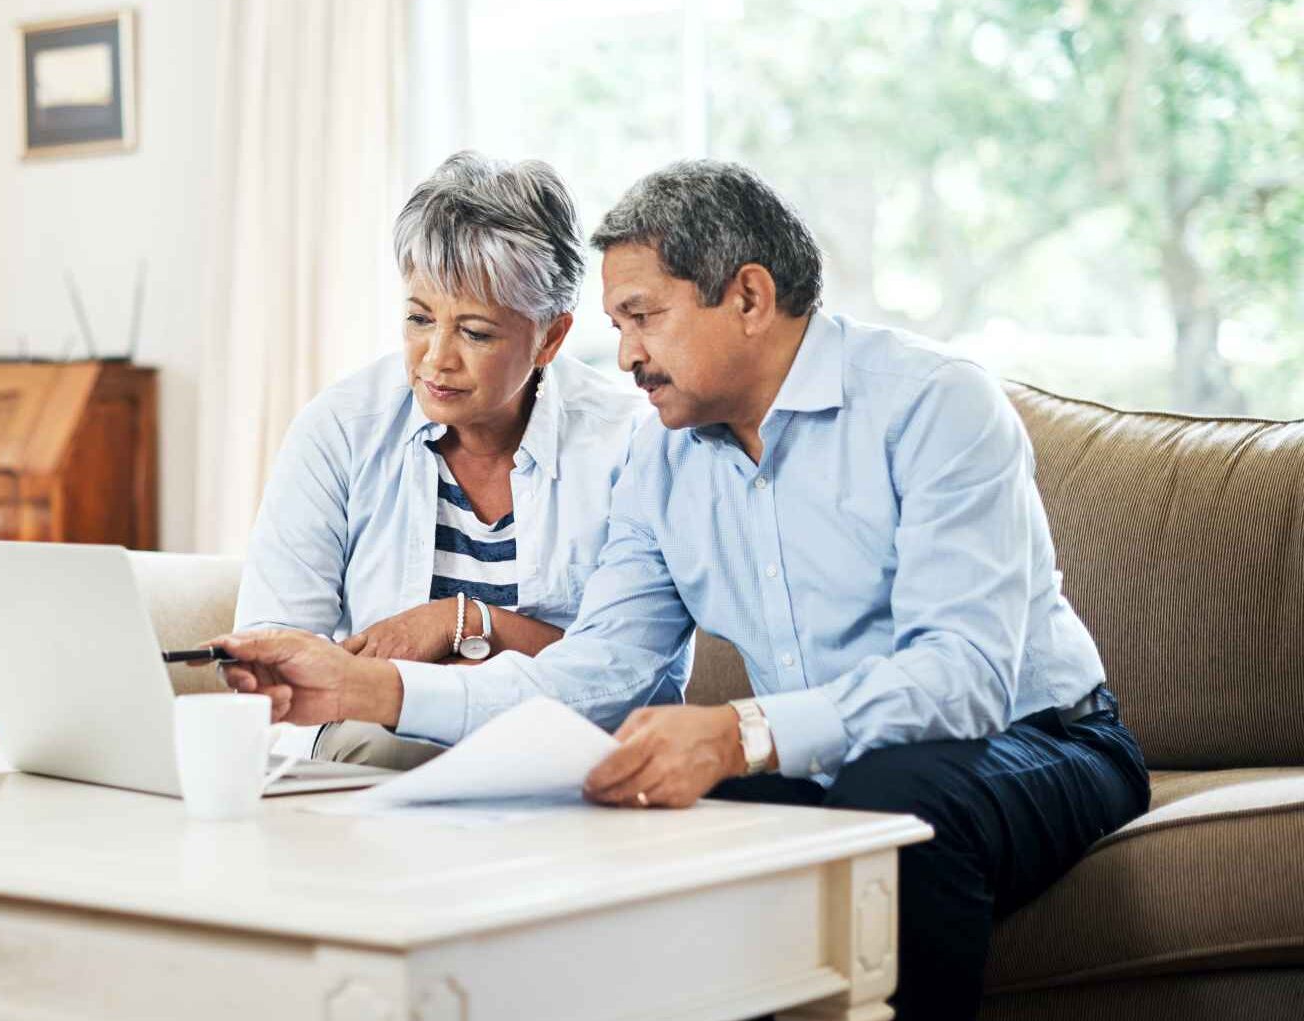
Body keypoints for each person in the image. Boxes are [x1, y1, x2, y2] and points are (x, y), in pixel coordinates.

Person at [212, 160, 1150, 1019]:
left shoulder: (935, 404)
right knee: (656, 831)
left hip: (1037, 737)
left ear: (748, 296)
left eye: (643, 317)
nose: (623, 359)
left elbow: (966, 677)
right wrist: (365, 689)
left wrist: (741, 732)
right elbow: (596, 678)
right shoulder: (660, 460)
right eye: (618, 326)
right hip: (829, 761)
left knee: (889, 804)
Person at [235, 151, 652, 769]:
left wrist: (462, 622)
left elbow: (633, 677)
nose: (436, 360)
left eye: (476, 332)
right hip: (372, 752)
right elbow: (277, 647)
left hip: (556, 756)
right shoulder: (341, 429)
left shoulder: (627, 446)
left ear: (551, 337)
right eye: (418, 319)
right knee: (382, 747)